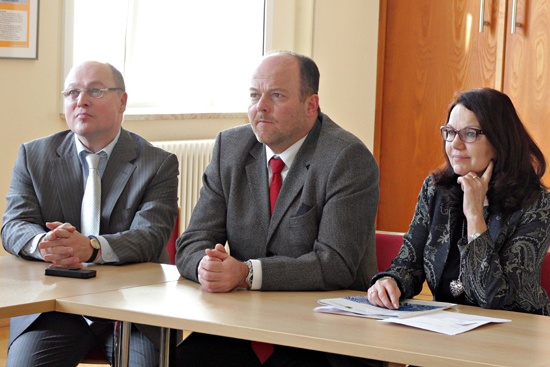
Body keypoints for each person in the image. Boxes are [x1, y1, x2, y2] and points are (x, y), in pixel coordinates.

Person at [175, 51, 380, 366]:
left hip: (324, 334)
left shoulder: (346, 158)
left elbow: (336, 264)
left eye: (277, 96)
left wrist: (247, 273)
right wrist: (207, 268)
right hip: (244, 324)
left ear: (310, 105)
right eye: (255, 96)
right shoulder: (230, 148)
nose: (261, 107)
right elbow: (192, 242)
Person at [2, 61, 179, 366]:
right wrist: (44, 243)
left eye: (94, 91)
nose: (80, 100)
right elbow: (13, 224)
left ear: (122, 100)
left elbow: (151, 237)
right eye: (72, 92)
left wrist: (92, 247)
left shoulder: (158, 163)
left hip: (134, 308)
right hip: (54, 307)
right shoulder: (34, 156)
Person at [368, 88, 550, 315]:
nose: (455, 143)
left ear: (500, 139)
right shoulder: (436, 189)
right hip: (449, 329)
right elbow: (408, 263)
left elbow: (494, 299)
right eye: (450, 132)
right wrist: (390, 282)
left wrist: (475, 216)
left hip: (513, 334)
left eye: (470, 133)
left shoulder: (536, 203)